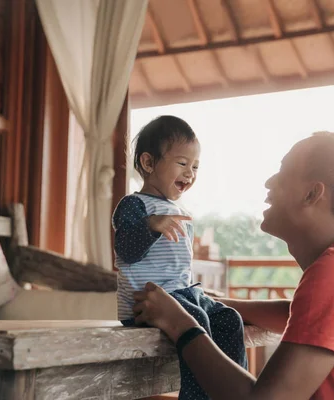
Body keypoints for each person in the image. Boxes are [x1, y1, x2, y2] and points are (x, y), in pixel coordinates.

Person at [133, 131, 334, 400]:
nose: (269, 182)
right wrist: (214, 303)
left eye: (284, 172)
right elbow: (299, 312)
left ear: (312, 194)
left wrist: (180, 323)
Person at [112, 115, 248, 400]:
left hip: (183, 293)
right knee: (196, 319)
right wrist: (150, 225)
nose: (190, 173)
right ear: (149, 164)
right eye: (182, 163)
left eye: (195, 166)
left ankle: (228, 393)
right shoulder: (133, 205)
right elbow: (125, 250)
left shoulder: (177, 208)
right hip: (148, 302)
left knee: (229, 319)